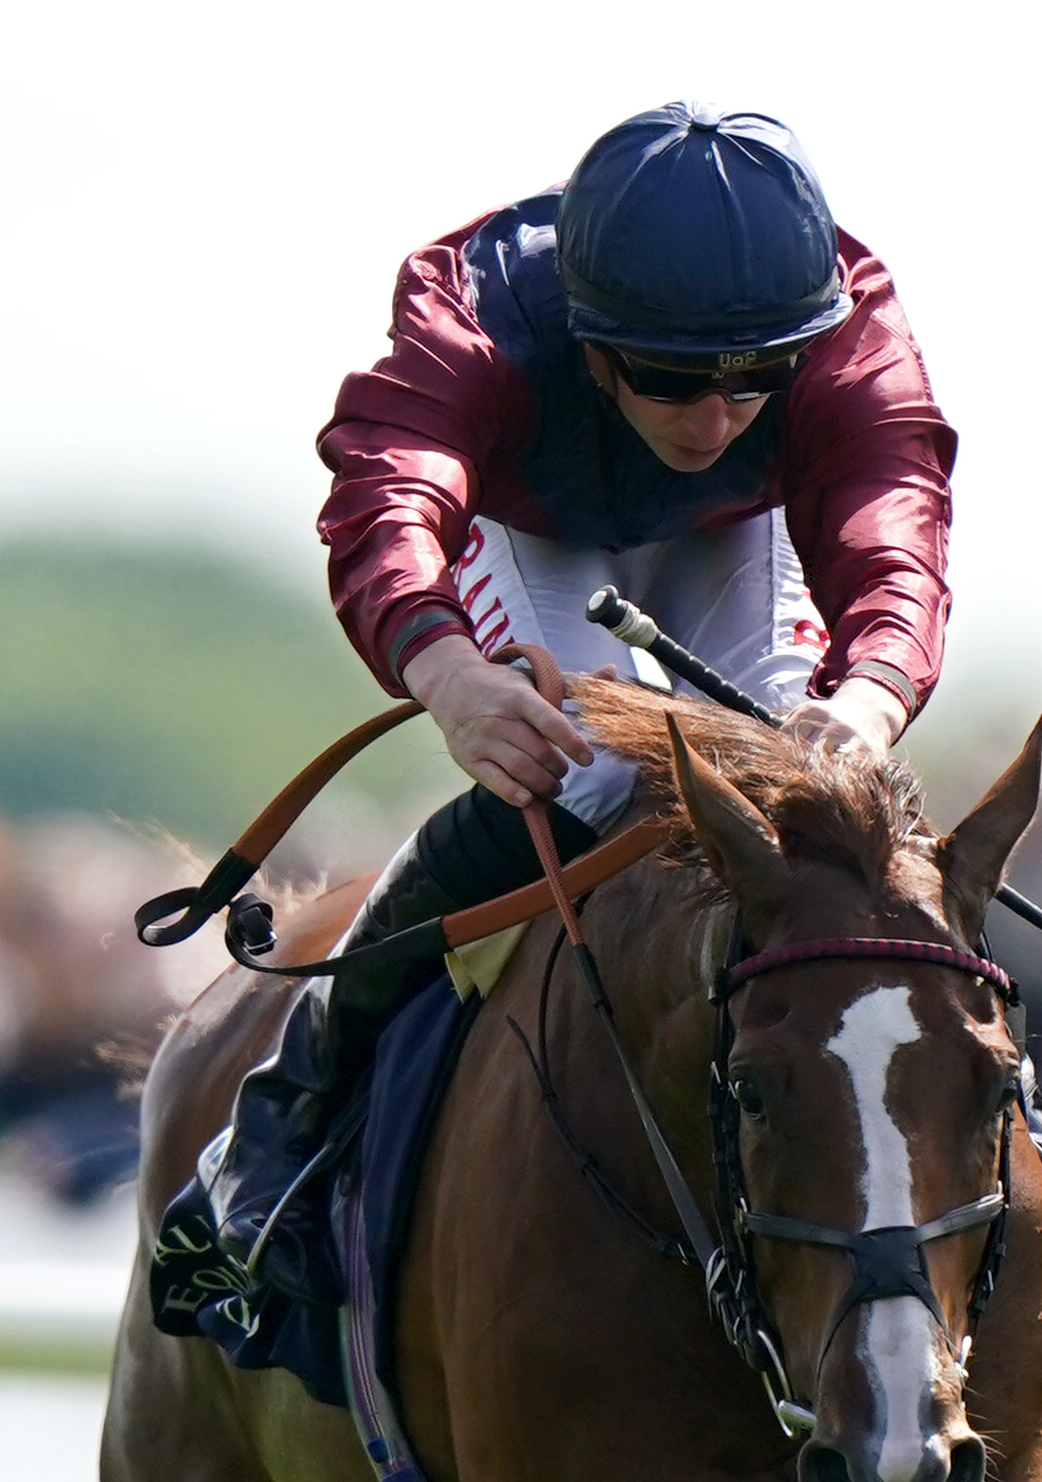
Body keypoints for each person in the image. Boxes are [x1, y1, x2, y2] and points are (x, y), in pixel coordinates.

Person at [299, 102, 953, 1132]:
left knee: (815, 794)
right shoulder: (478, 316)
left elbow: (894, 526)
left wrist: (872, 691)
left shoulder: (847, 323)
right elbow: (388, 500)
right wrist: (448, 673)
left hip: (738, 530)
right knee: (589, 773)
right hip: (533, 530)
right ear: (587, 339)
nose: (714, 418)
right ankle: (300, 1088)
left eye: (758, 378)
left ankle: (999, 1105)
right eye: (671, 375)